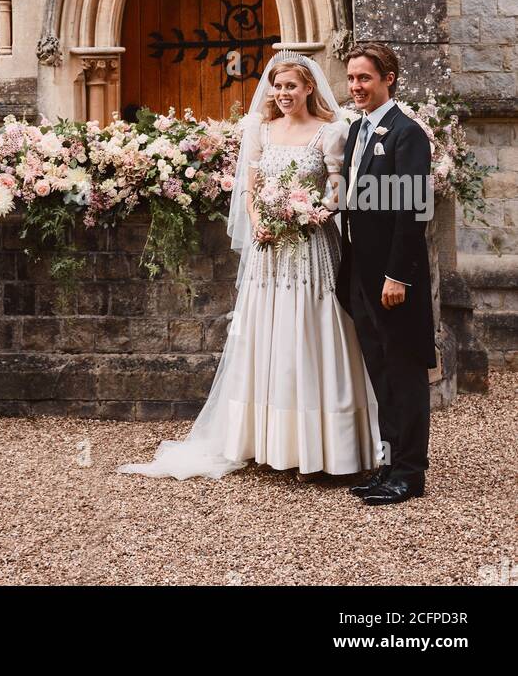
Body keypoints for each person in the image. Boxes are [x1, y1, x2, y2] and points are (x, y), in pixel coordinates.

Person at [118, 51, 379, 480]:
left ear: (309, 88)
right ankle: (267, 440)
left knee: (313, 333)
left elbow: (338, 187)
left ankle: (326, 446)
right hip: (269, 252)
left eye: (291, 86)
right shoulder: (261, 129)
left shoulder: (331, 132)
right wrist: (260, 223)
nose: (283, 93)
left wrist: (313, 213)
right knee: (268, 334)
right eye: (278, 86)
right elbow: (250, 190)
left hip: (312, 247)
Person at [336, 42, 435, 506]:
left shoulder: (406, 133)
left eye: (365, 79)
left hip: (395, 282)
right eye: (352, 78)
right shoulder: (357, 131)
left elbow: (413, 211)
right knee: (380, 371)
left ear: (388, 78)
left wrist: (398, 275)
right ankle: (389, 464)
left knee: (404, 371)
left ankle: (411, 473)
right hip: (361, 273)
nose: (356, 87)